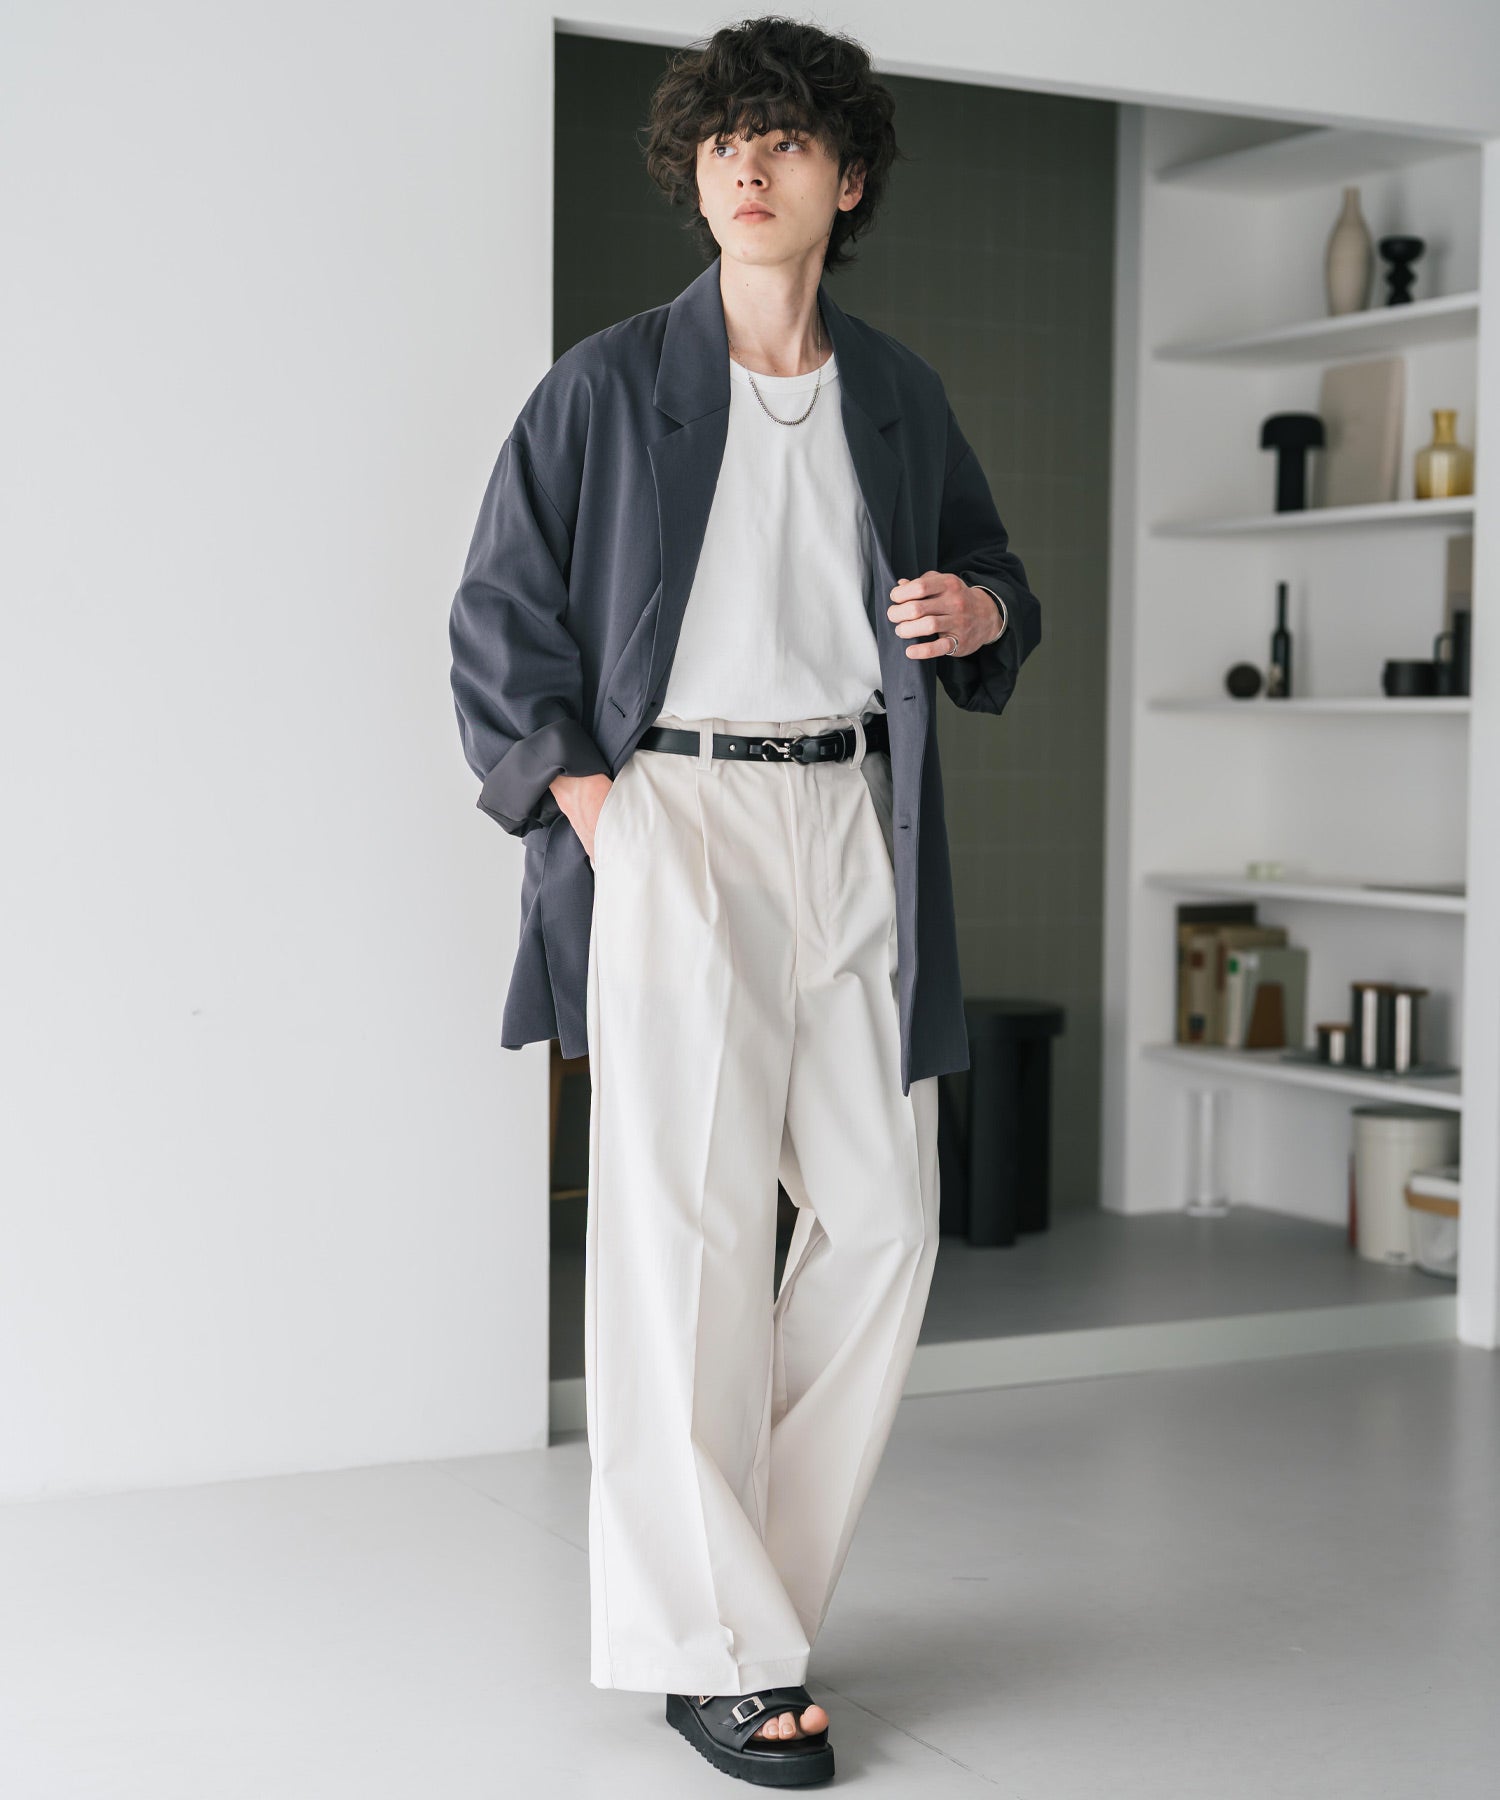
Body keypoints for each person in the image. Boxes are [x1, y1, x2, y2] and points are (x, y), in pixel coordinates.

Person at [448, 16, 1041, 1786]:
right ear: (695, 172)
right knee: (688, 1241)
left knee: (886, 1224)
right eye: (724, 142)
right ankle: (719, 1645)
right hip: (679, 813)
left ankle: (727, 1601)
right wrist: (595, 811)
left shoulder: (897, 393)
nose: (748, 167)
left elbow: (992, 582)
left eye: (783, 141)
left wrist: (981, 614)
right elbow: (497, 619)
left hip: (852, 812)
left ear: (845, 181)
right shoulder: (605, 385)